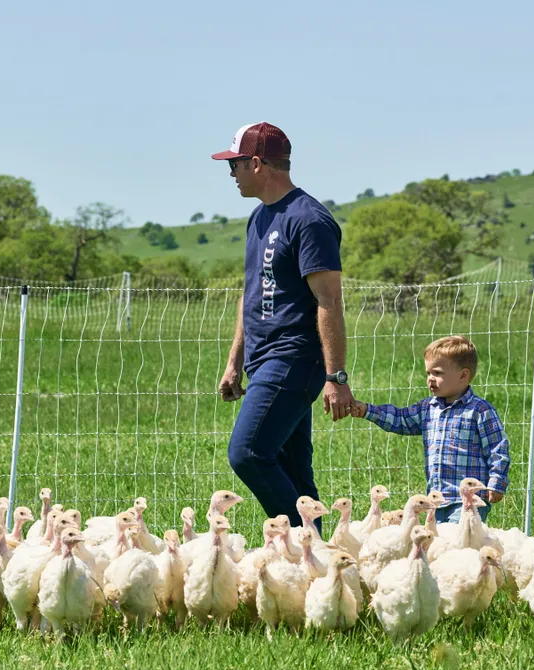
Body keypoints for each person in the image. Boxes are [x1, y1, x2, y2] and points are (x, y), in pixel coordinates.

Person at [213, 121, 354, 534]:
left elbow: (329, 300)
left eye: (235, 164)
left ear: (256, 163)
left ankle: (297, 541)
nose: (232, 174)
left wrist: (336, 376)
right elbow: (252, 292)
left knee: (249, 453)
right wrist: (234, 362)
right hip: (263, 360)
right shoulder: (258, 218)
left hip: (294, 358)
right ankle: (314, 573)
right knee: (294, 469)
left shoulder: (309, 220)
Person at [350, 335, 510, 524]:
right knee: (437, 547)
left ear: (463, 375)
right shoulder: (428, 408)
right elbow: (401, 419)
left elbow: (497, 448)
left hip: (467, 501)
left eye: (438, 373)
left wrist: (496, 483)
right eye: (428, 373)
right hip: (435, 500)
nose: (430, 379)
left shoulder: (480, 410)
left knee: (458, 547)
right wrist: (369, 411)